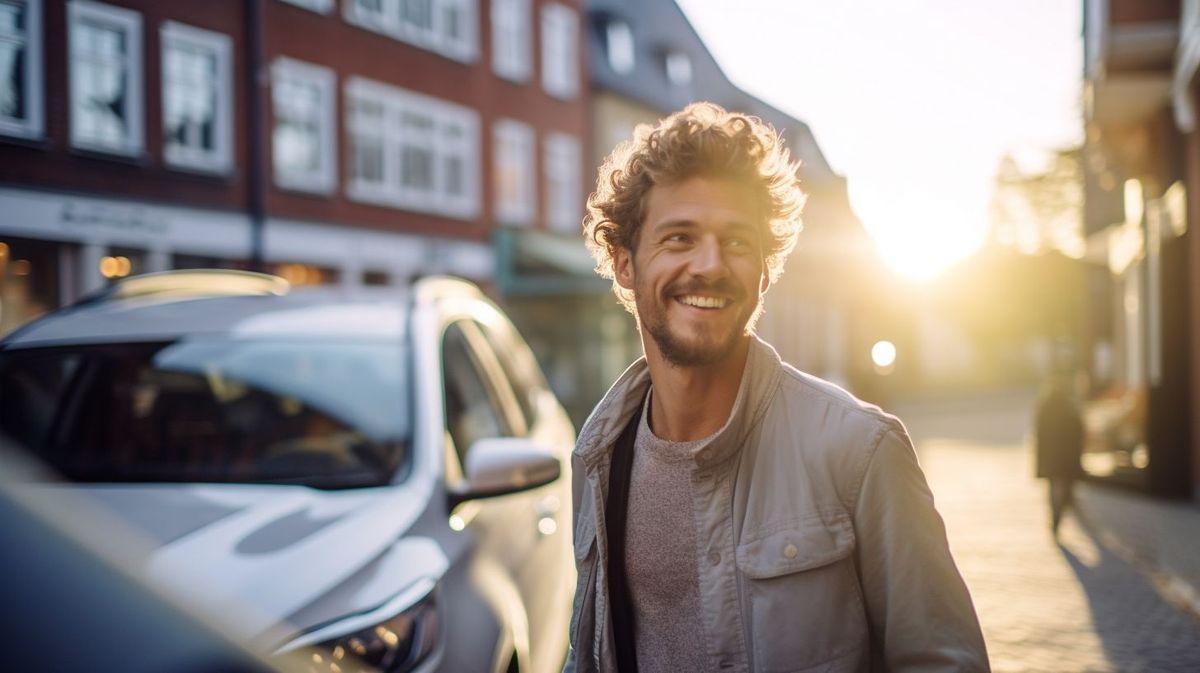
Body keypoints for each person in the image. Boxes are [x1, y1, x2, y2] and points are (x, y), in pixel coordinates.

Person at [564, 103, 989, 673]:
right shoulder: (599, 457)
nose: (710, 265)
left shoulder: (859, 453)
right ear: (624, 264)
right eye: (679, 238)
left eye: (737, 242)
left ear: (765, 270)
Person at [1034, 372, 1084, 535]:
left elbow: (1038, 433)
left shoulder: (1044, 405)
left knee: (1053, 487)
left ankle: (1055, 516)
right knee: (1063, 485)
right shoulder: (1069, 406)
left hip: (1050, 456)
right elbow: (1079, 430)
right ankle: (1060, 513)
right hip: (1066, 456)